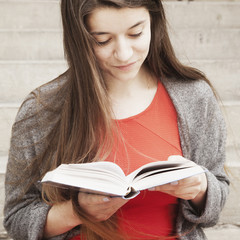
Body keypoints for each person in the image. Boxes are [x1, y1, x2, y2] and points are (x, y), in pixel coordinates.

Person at [4, 0, 229, 239]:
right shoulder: (41, 111)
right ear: (79, 38)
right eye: (102, 40)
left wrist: (200, 188)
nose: (123, 54)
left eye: (136, 33)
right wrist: (75, 212)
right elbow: (17, 218)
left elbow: (216, 198)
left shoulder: (194, 96)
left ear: (154, 22)